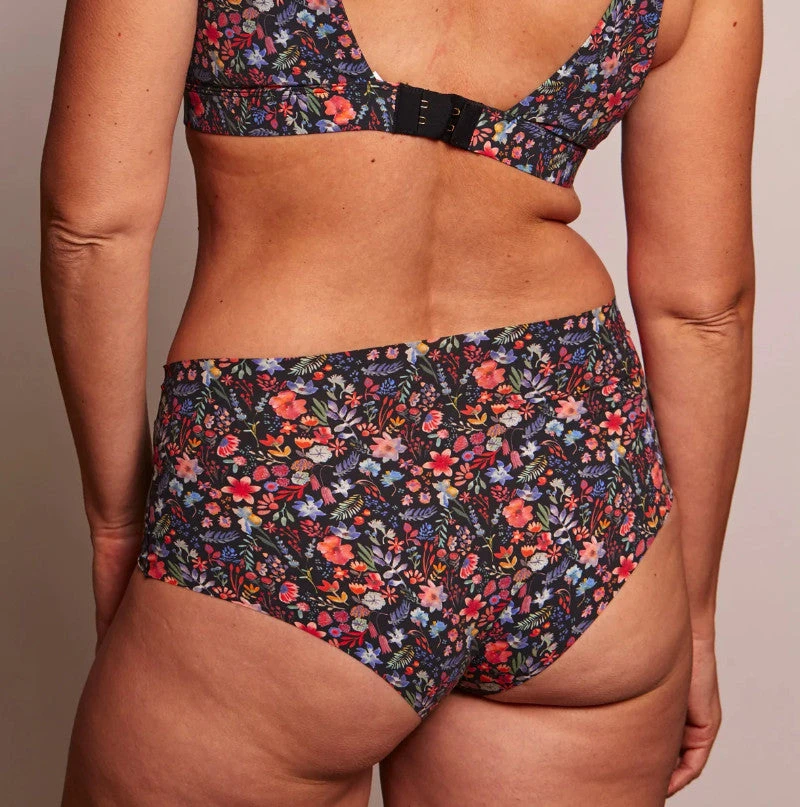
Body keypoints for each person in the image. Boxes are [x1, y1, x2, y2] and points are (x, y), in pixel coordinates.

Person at [40, 0, 761, 804]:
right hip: (572, 486)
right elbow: (705, 312)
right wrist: (693, 611)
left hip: (293, 471)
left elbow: (92, 228)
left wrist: (117, 522)